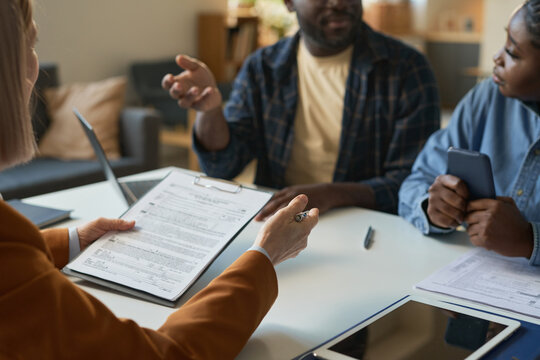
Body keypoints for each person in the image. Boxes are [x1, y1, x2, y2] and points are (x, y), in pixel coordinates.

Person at [0, 0, 319, 358]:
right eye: (30, 43)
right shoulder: (263, 66)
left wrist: (72, 241)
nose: (35, 63)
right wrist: (264, 256)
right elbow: (163, 354)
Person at [162, 0, 440, 219]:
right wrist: (209, 111)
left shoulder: (407, 69)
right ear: (289, 2)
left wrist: (333, 194)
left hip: (370, 229)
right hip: (280, 223)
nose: (339, 2)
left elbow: (412, 181)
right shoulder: (263, 67)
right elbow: (223, 165)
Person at [399, 0, 540, 265]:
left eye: (513, 52)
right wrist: (433, 209)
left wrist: (529, 240)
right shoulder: (488, 96)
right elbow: (415, 182)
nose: (497, 57)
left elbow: (527, 240)